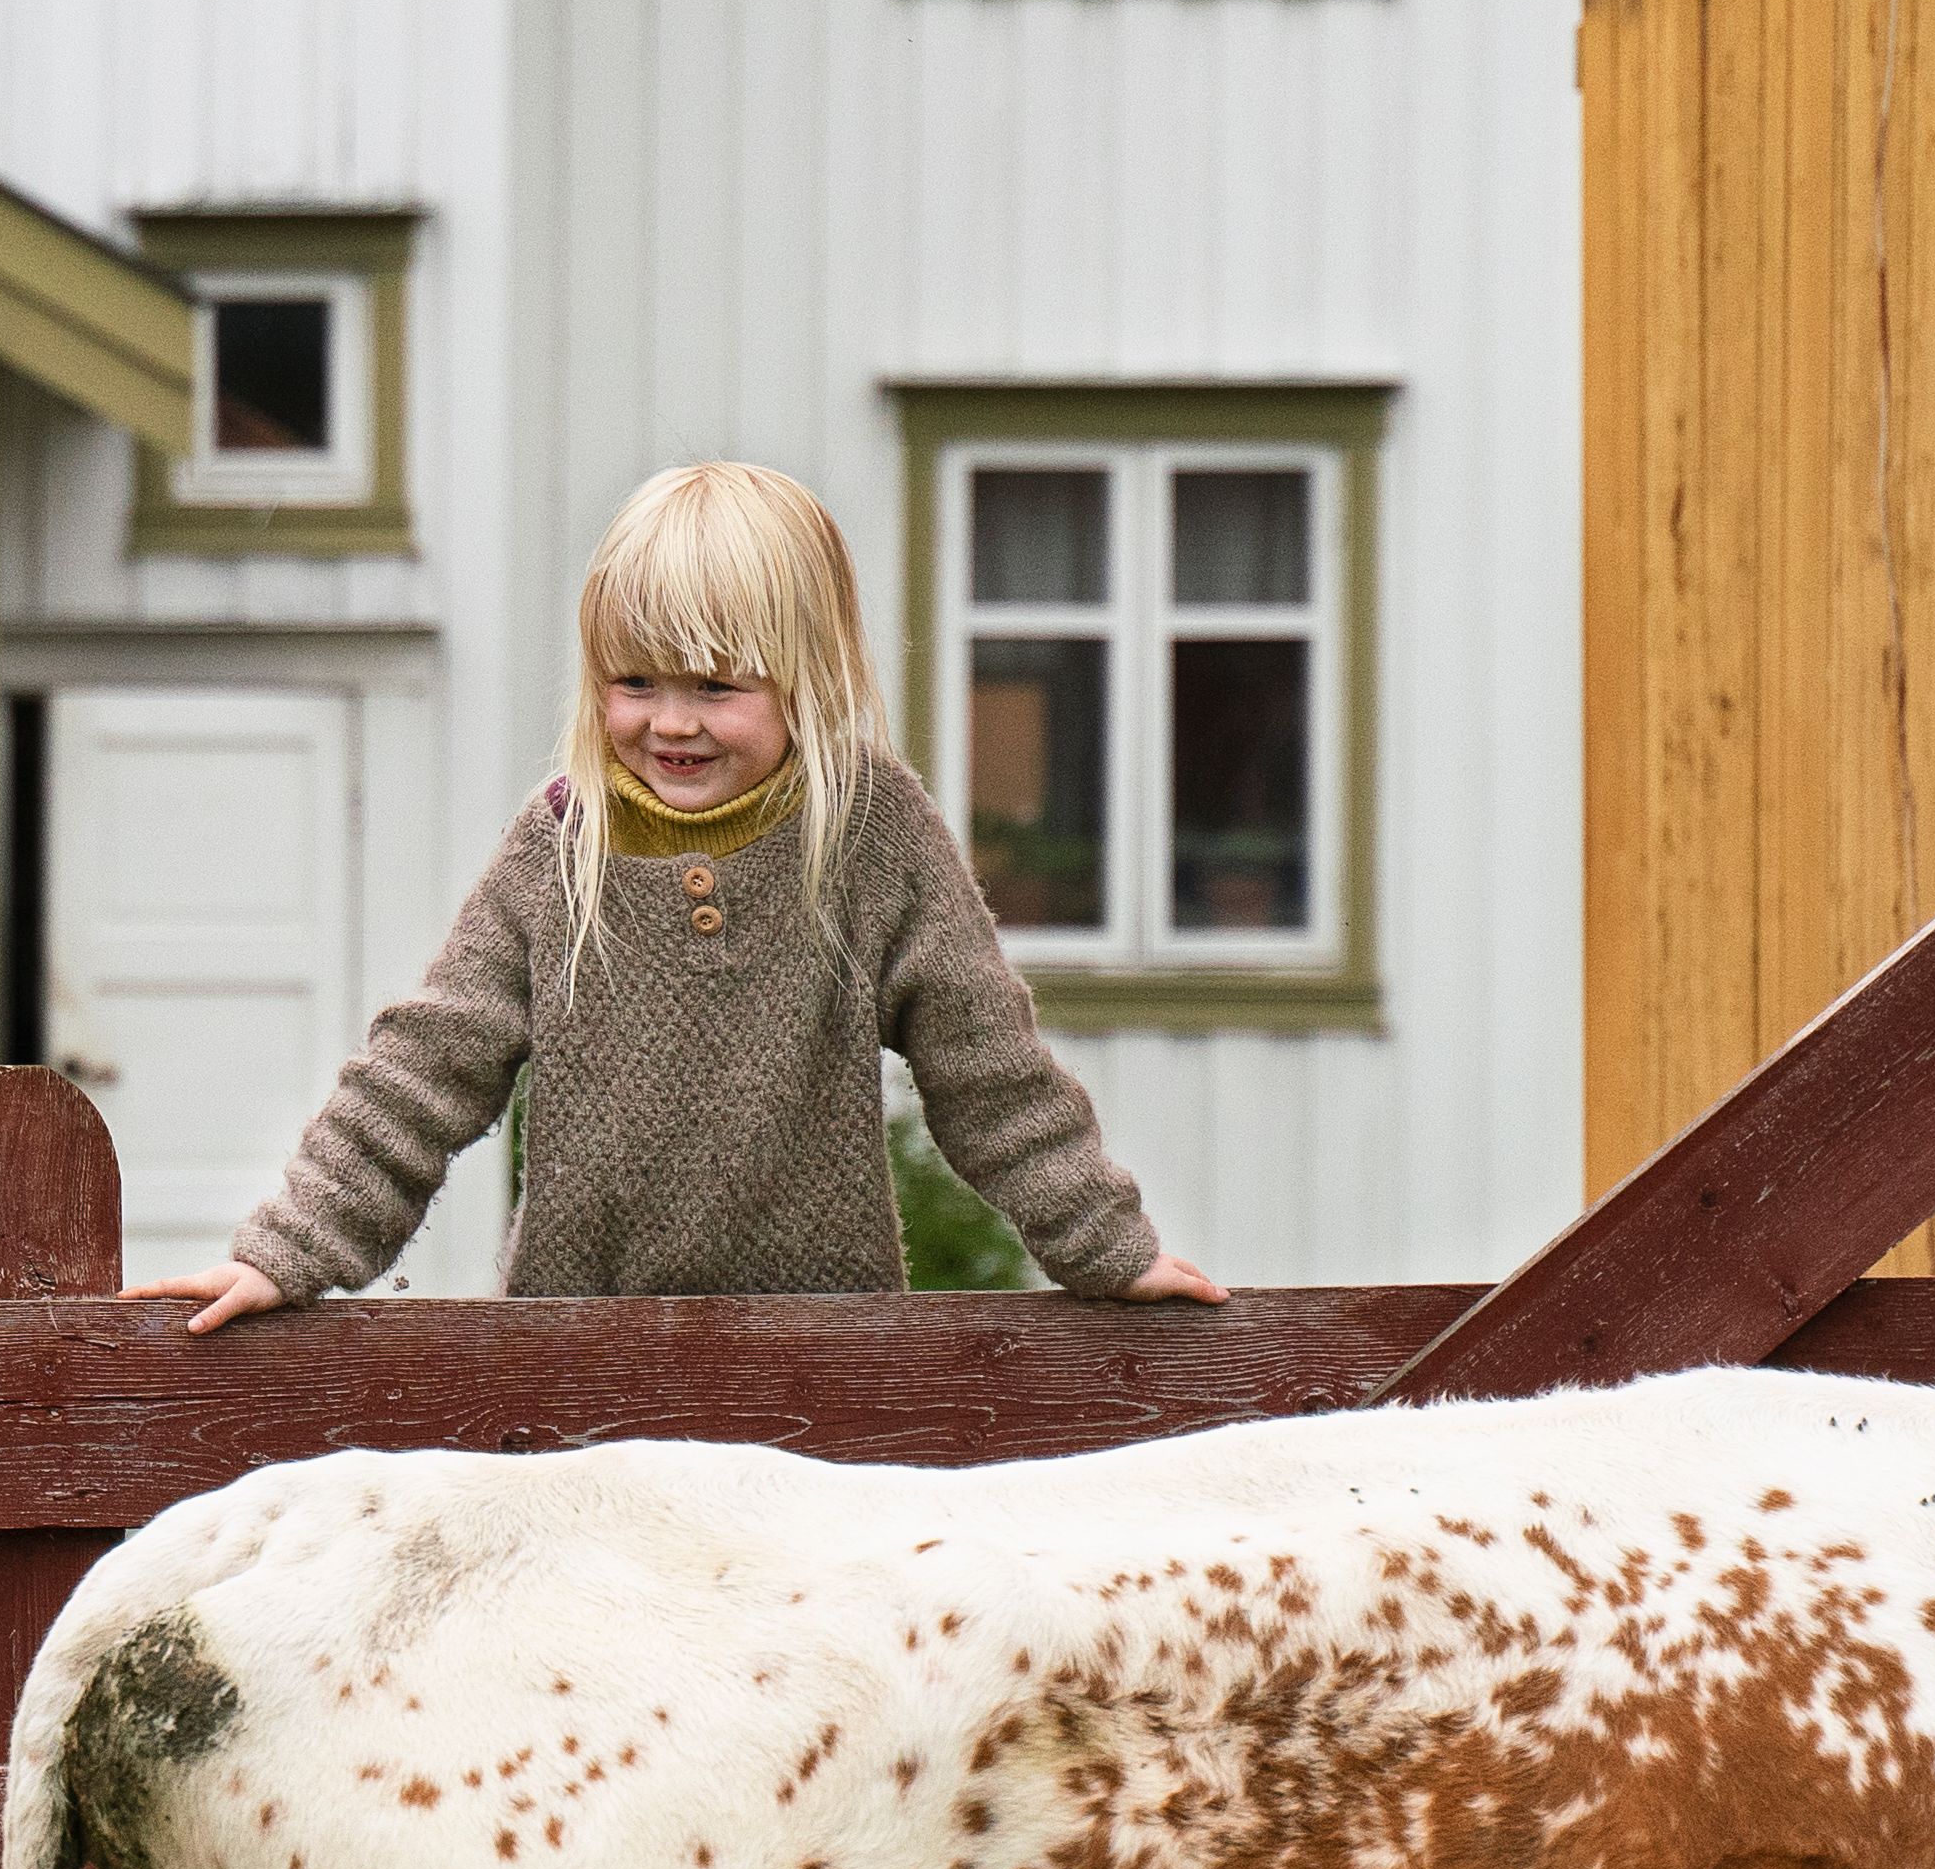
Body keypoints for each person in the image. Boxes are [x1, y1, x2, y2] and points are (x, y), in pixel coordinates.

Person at [152, 457, 1226, 1330]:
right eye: (635, 683)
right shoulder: (558, 848)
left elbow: (988, 1068)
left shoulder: (869, 835)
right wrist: (287, 1252)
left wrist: (1106, 1249)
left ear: (806, 679)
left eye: (716, 686)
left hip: (828, 1350)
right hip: (580, 1351)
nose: (670, 722)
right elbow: (422, 1070)